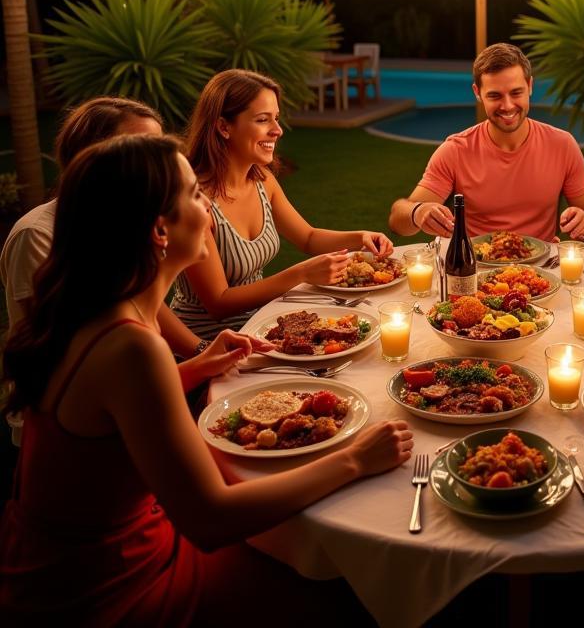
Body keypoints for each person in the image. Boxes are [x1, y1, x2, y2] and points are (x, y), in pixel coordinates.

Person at [0, 134, 413, 624]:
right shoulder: (133, 344)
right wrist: (354, 459)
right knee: (345, 589)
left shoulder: (94, 311)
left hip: (52, 565)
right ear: (160, 230)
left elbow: (102, 416)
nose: (209, 209)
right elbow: (210, 519)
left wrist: (195, 368)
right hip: (108, 590)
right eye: (195, 195)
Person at [171, 70, 393, 339]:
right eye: (263, 120)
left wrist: (361, 237)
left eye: (275, 118)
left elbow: (308, 237)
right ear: (223, 127)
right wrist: (301, 273)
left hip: (261, 327)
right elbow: (218, 303)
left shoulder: (262, 180)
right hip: (206, 342)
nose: (277, 130)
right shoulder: (194, 200)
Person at [0, 97, 219, 364]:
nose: (159, 162)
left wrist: (202, 354)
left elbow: (142, 302)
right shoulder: (37, 234)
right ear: (95, 158)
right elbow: (65, 363)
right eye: (141, 147)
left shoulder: (123, 228)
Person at [389, 43, 584, 241]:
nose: (508, 105)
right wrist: (417, 213)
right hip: (475, 270)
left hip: (541, 273)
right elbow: (398, 219)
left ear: (530, 86)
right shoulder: (455, 150)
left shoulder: (562, 144)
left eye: (516, 92)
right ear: (478, 93)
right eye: (495, 96)